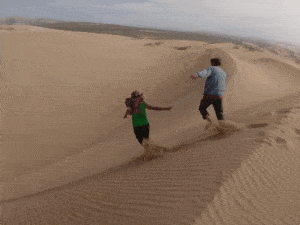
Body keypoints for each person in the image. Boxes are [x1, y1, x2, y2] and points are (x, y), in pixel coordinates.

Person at [190, 58, 226, 127]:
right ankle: (224, 127)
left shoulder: (212, 68)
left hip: (210, 94)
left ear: (213, 63)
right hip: (219, 96)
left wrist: (196, 75)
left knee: (202, 108)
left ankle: (213, 124)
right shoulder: (223, 72)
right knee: (219, 114)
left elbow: (205, 73)